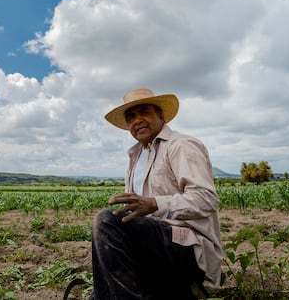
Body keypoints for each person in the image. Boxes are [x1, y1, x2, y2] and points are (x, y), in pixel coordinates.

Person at [89, 88, 223, 299]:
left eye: (144, 112)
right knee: (116, 225)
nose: (137, 120)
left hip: (187, 247)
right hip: (154, 248)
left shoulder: (181, 145)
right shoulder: (135, 157)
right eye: (131, 117)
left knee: (107, 221)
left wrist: (155, 204)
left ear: (161, 116)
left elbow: (207, 199)